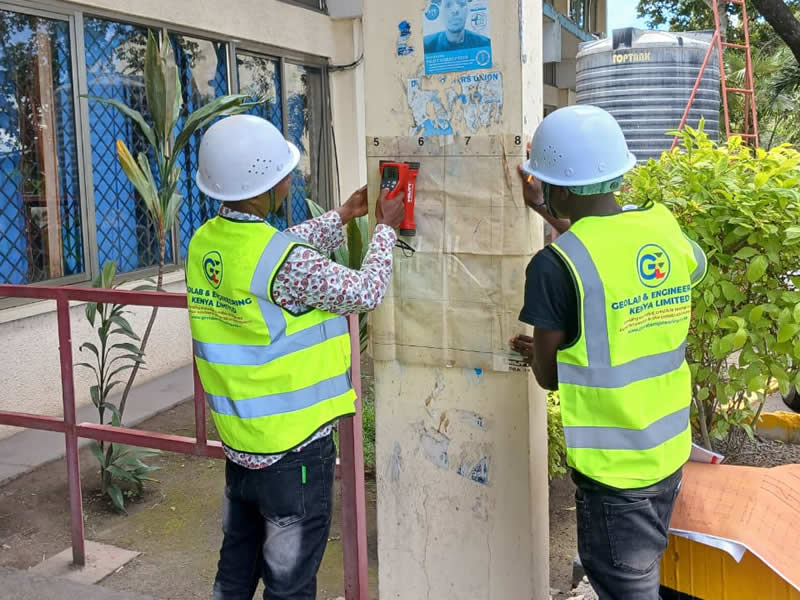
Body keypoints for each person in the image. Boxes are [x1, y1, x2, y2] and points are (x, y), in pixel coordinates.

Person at [186, 114, 404, 600]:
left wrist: (344, 215)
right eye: (284, 171)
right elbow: (364, 290)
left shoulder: (205, 243)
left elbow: (280, 254)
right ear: (265, 184)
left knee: (236, 571)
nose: (290, 178)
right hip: (293, 453)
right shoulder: (283, 261)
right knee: (289, 584)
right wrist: (384, 229)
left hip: (242, 445)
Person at [510, 105, 707, 600]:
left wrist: (538, 352)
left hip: (615, 476)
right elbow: (615, 263)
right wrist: (541, 208)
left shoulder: (553, 266)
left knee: (627, 590)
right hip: (667, 453)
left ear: (559, 187)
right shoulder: (661, 227)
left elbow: (550, 377)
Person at [424, 0, 491, 54]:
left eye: (461, 4)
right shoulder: (426, 45)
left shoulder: (485, 44)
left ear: (468, 8)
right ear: (440, 10)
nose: (455, 10)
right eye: (448, 5)